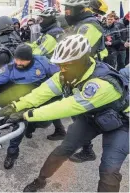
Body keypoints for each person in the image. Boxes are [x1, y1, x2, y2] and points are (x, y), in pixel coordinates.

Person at [0, 35, 129, 192]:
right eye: (60, 65)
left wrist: (27, 115)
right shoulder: (67, 74)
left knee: (109, 170)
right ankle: (40, 181)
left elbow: (68, 106)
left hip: (121, 123)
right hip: (92, 117)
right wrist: (16, 105)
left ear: (82, 60)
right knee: (63, 150)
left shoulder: (102, 83)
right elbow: (42, 92)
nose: (62, 69)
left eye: (66, 65)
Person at [0, 44, 60, 169]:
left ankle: (12, 152)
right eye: (16, 59)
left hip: (38, 96)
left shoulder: (43, 62)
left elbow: (59, 77)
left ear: (30, 58)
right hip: (17, 94)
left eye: (22, 60)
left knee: (23, 122)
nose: (18, 62)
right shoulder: (10, 67)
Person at [62, 0, 109, 163]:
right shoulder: (81, 24)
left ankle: (88, 149)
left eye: (68, 11)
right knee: (79, 112)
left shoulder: (89, 26)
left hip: (86, 75)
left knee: (83, 111)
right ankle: (84, 142)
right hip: (78, 74)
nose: (66, 14)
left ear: (79, 10)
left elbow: (74, 51)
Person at [27, 7, 67, 140]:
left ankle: (31, 126)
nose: (40, 21)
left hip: (51, 72)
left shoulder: (52, 36)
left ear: (49, 19)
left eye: (42, 19)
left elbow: (38, 53)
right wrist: (24, 47)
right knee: (51, 101)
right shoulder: (50, 33)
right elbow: (34, 45)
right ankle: (59, 130)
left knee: (43, 99)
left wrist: (23, 56)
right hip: (52, 71)